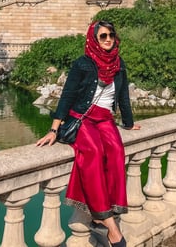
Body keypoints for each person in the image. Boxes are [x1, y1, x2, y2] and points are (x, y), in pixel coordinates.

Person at [36, 20, 140, 247]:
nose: (108, 39)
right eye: (103, 36)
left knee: (115, 150)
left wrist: (129, 123)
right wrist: (54, 129)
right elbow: (67, 96)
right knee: (93, 151)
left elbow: (122, 98)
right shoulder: (83, 64)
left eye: (111, 35)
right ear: (93, 38)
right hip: (82, 117)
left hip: (105, 119)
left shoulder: (119, 64)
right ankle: (108, 223)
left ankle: (108, 208)